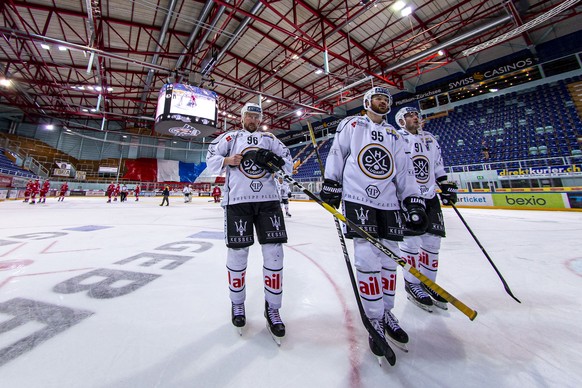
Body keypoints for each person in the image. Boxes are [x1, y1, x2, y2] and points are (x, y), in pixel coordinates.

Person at [320, 87, 428, 356]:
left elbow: (404, 169)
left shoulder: (394, 134)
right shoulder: (353, 124)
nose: (382, 102)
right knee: (367, 258)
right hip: (358, 198)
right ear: (367, 102)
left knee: (389, 260)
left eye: (386, 99)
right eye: (377, 98)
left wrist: (412, 198)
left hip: (389, 201)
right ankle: (374, 319)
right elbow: (337, 152)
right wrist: (332, 182)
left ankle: (387, 313)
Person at [205, 102, 292, 342]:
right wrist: (227, 161)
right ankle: (237, 304)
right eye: (249, 115)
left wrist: (276, 163)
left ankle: (273, 308)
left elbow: (288, 161)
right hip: (238, 202)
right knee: (238, 254)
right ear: (242, 117)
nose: (253, 119)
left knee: (275, 254)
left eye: (257, 116)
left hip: (269, 201)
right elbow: (210, 157)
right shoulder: (230, 137)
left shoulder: (270, 139)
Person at [394, 106, 458, 312]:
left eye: (416, 115)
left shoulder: (429, 138)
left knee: (433, 240)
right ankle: (412, 283)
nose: (415, 118)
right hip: (408, 196)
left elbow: (437, 165)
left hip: (429, 195)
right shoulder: (396, 138)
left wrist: (445, 184)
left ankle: (429, 283)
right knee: (411, 241)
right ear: (401, 121)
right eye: (410, 116)